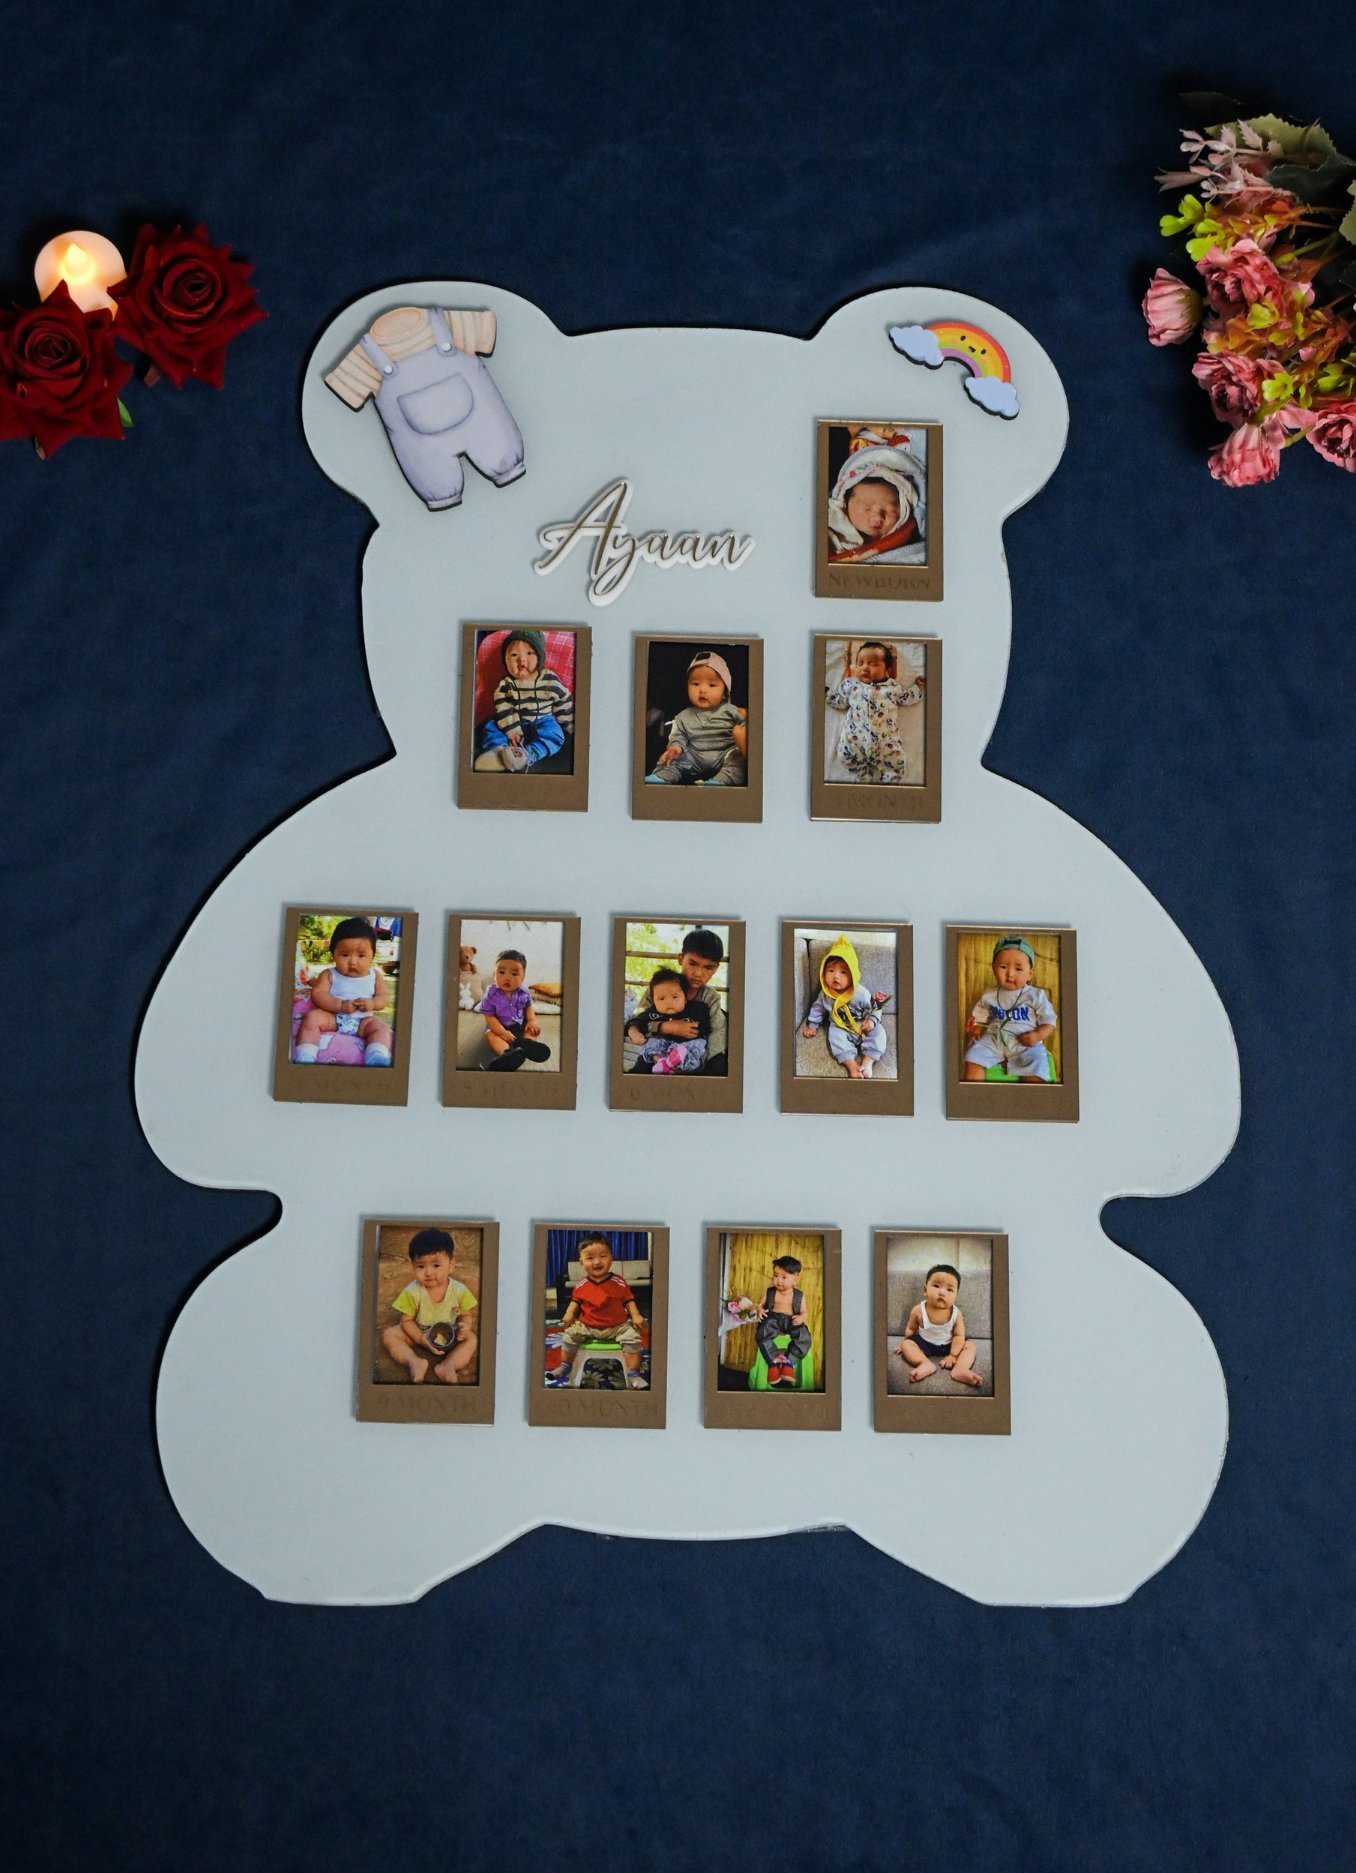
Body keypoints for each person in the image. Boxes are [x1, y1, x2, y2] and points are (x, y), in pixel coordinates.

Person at [381, 1227, 479, 1384]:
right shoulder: (412, 1292)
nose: (428, 1273)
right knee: (389, 1335)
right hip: (419, 1332)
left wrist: (464, 1326)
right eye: (421, 1266)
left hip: (450, 1334)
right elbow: (406, 1320)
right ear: (413, 1266)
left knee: (471, 1339)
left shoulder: (459, 1290)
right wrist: (421, 1339)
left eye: (436, 1265)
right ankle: (415, 1362)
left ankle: (448, 1365)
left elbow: (465, 1315)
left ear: (451, 1265)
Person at [625, 927, 727, 1074]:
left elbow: (718, 1033)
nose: (699, 973)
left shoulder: (710, 997)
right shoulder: (660, 988)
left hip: (693, 1055)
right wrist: (664, 1027)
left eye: (708, 967)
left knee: (719, 1065)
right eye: (692, 963)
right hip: (659, 1052)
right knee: (641, 1068)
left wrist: (695, 1062)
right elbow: (638, 1019)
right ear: (680, 959)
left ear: (716, 968)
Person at [550, 1235, 648, 1389]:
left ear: (611, 1258)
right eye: (590, 1258)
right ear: (581, 1262)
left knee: (633, 1339)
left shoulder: (619, 1282)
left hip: (617, 1326)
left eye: (603, 1256)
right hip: (587, 1326)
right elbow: (575, 1301)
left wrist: (635, 1315)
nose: (597, 1262)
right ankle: (566, 1366)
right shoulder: (581, 1285)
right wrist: (569, 1313)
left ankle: (633, 1373)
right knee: (568, 1336)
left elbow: (628, 1300)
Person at [293, 916, 393, 1066]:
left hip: (362, 1021)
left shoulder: (375, 976)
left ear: (372, 955)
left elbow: (384, 997)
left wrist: (372, 1003)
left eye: (361, 955)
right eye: (345, 955)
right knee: (312, 1018)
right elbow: (318, 994)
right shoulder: (329, 974)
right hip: (333, 1018)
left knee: (381, 1027)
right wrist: (340, 1005)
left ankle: (376, 1055)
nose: (352, 961)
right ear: (333, 954)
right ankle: (305, 1054)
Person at [825, 639, 924, 784]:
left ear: (887, 670)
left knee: (898, 762)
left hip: (885, 744)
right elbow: (840, 701)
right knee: (844, 755)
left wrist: (917, 688)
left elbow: (906, 698)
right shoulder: (851, 685)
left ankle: (888, 784)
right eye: (860, 663)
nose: (865, 667)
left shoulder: (891, 687)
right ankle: (862, 773)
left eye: (872, 664)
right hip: (855, 741)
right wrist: (827, 693)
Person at [473, 628, 573, 772]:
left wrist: (569, 725)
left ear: (540, 657)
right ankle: (498, 752)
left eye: (530, 653)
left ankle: (529, 754)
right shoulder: (507, 684)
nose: (522, 660)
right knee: (491, 725)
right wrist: (512, 730)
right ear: (505, 661)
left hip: (543, 719)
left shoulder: (550, 680)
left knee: (555, 733)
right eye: (514, 655)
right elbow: (504, 708)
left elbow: (564, 702)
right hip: (515, 719)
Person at [645, 648, 747, 786]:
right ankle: (661, 777)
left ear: (725, 692)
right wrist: (675, 747)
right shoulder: (683, 716)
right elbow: (678, 735)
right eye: (695, 684)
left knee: (738, 758)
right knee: (672, 759)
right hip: (694, 757)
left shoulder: (732, 711)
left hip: (725, 754)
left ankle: (719, 781)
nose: (702, 690)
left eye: (712, 685)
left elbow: (747, 729)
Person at [826, 427, 928, 565]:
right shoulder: (834, 532)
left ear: (903, 505)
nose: (877, 516)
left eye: (889, 509)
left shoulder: (915, 526)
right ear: (845, 504)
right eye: (867, 508)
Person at [963, 934, 1058, 1083]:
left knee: (1037, 1065)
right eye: (1003, 967)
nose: (1010, 974)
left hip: (1024, 1043)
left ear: (1030, 973)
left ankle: (1031, 1094)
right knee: (972, 1057)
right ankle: (974, 1092)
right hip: (994, 1040)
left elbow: (1049, 1021)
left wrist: (1037, 1035)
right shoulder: (989, 995)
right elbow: (980, 1020)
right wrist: (976, 1030)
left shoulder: (1035, 995)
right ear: (993, 968)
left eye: (1018, 969)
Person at [801, 933, 887, 1079]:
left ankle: (868, 1061)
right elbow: (817, 1008)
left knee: (879, 1033)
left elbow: (875, 1007)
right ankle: (852, 1065)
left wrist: (872, 1020)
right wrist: (813, 1025)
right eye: (831, 970)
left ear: (853, 974)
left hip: (862, 1023)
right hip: (840, 1026)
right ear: (823, 972)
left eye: (843, 972)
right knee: (835, 1036)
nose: (836, 976)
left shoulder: (861, 993)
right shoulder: (825, 994)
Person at [896, 1263, 982, 1386]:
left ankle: (961, 1368)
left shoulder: (956, 1313)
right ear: (925, 1290)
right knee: (907, 1344)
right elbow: (911, 1328)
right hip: (924, 1344)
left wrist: (953, 1355)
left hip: (949, 1345)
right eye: (936, 1286)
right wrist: (906, 1341)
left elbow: (959, 1335)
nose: (942, 1292)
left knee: (970, 1346)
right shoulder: (918, 1310)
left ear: (955, 1295)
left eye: (949, 1289)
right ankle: (925, 1363)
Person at [477, 949, 552, 1072]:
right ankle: (508, 1054)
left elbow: (528, 1006)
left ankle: (526, 1044)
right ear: (494, 973)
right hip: (498, 1026)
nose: (507, 978)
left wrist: (532, 1020)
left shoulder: (524, 992)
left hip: (519, 1025)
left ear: (523, 977)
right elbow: (490, 1017)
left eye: (514, 974)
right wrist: (502, 1033)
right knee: (490, 1035)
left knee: (532, 1030)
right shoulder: (490, 994)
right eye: (501, 972)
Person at [627, 966, 709, 1073]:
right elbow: (637, 1021)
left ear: (685, 998)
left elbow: (706, 1026)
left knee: (696, 1046)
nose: (669, 1002)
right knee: (650, 1047)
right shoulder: (652, 1013)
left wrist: (697, 1029)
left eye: (675, 997)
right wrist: (634, 1032)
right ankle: (659, 1061)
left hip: (684, 1047)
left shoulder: (696, 1009)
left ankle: (675, 1062)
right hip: (659, 1050)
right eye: (661, 998)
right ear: (653, 1001)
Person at [756, 1254, 812, 1387]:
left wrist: (801, 1318)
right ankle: (774, 1361)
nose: (778, 1280)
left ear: (795, 1279)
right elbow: (760, 1305)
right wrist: (759, 1310)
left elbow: (805, 1312)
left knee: (804, 1336)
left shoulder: (799, 1295)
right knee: (762, 1332)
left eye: (784, 1277)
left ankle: (788, 1362)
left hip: (792, 1321)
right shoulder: (770, 1292)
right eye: (775, 1275)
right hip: (773, 1320)